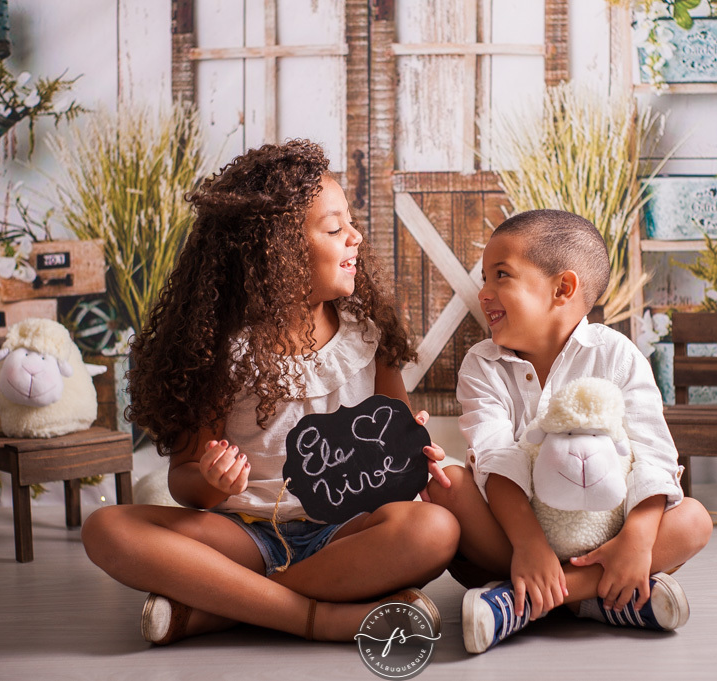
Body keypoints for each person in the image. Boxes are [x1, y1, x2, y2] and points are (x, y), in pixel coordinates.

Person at [82, 139, 459, 645]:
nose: (356, 237)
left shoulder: (368, 338)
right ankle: (318, 617)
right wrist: (214, 481)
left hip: (346, 531)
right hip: (245, 532)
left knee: (435, 530)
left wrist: (415, 450)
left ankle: (225, 607)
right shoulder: (225, 351)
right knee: (106, 528)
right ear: (276, 252)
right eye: (335, 229)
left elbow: (394, 449)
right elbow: (186, 483)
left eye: (350, 224)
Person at [425, 209, 713, 654]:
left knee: (694, 520)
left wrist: (637, 540)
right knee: (447, 483)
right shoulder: (482, 364)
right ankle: (601, 597)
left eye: (501, 275)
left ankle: (522, 603)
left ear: (563, 288)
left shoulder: (617, 356)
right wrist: (529, 545)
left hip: (602, 536)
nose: (483, 293)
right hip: (511, 538)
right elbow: (497, 459)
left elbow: (654, 458)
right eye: (484, 278)